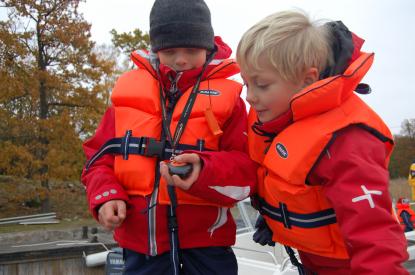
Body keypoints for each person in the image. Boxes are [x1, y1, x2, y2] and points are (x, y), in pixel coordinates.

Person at [81, 0, 257, 274]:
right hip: (141, 249)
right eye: (170, 51)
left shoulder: (231, 99)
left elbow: (247, 171)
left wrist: (204, 171)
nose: (181, 60)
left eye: (192, 50)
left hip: (208, 248)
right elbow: (97, 160)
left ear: (208, 47)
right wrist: (106, 196)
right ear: (156, 49)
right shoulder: (125, 97)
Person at [237, 10, 409, 274]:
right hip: (312, 261)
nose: (250, 97)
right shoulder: (282, 122)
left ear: (307, 80)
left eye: (261, 85)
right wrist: (273, 218)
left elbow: (375, 234)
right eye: (246, 84)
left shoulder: (347, 139)